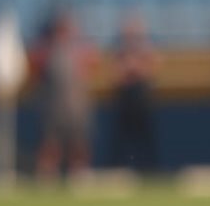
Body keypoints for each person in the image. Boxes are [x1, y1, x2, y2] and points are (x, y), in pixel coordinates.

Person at [30, 10, 100, 182]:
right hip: (53, 106)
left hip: (76, 106)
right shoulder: (47, 49)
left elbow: (92, 62)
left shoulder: (79, 48)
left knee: (79, 143)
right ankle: (47, 176)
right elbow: (35, 66)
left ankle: (79, 175)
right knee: (51, 144)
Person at [108, 13, 159, 172]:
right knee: (121, 139)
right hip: (126, 98)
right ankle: (118, 169)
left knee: (146, 139)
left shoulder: (146, 49)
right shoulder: (122, 51)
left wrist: (136, 68)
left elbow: (153, 69)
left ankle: (150, 170)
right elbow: (115, 75)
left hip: (141, 98)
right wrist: (127, 70)